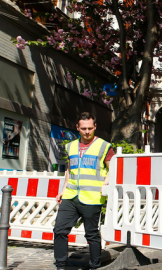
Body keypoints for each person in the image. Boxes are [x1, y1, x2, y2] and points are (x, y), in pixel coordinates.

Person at [53, 112, 114, 270]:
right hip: (71, 196)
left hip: (92, 197)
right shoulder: (71, 146)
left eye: (89, 128)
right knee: (59, 229)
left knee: (91, 234)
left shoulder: (104, 146)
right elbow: (70, 170)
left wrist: (104, 185)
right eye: (83, 128)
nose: (87, 131)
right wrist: (63, 190)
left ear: (95, 127)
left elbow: (113, 169)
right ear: (77, 128)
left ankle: (94, 266)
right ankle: (61, 266)